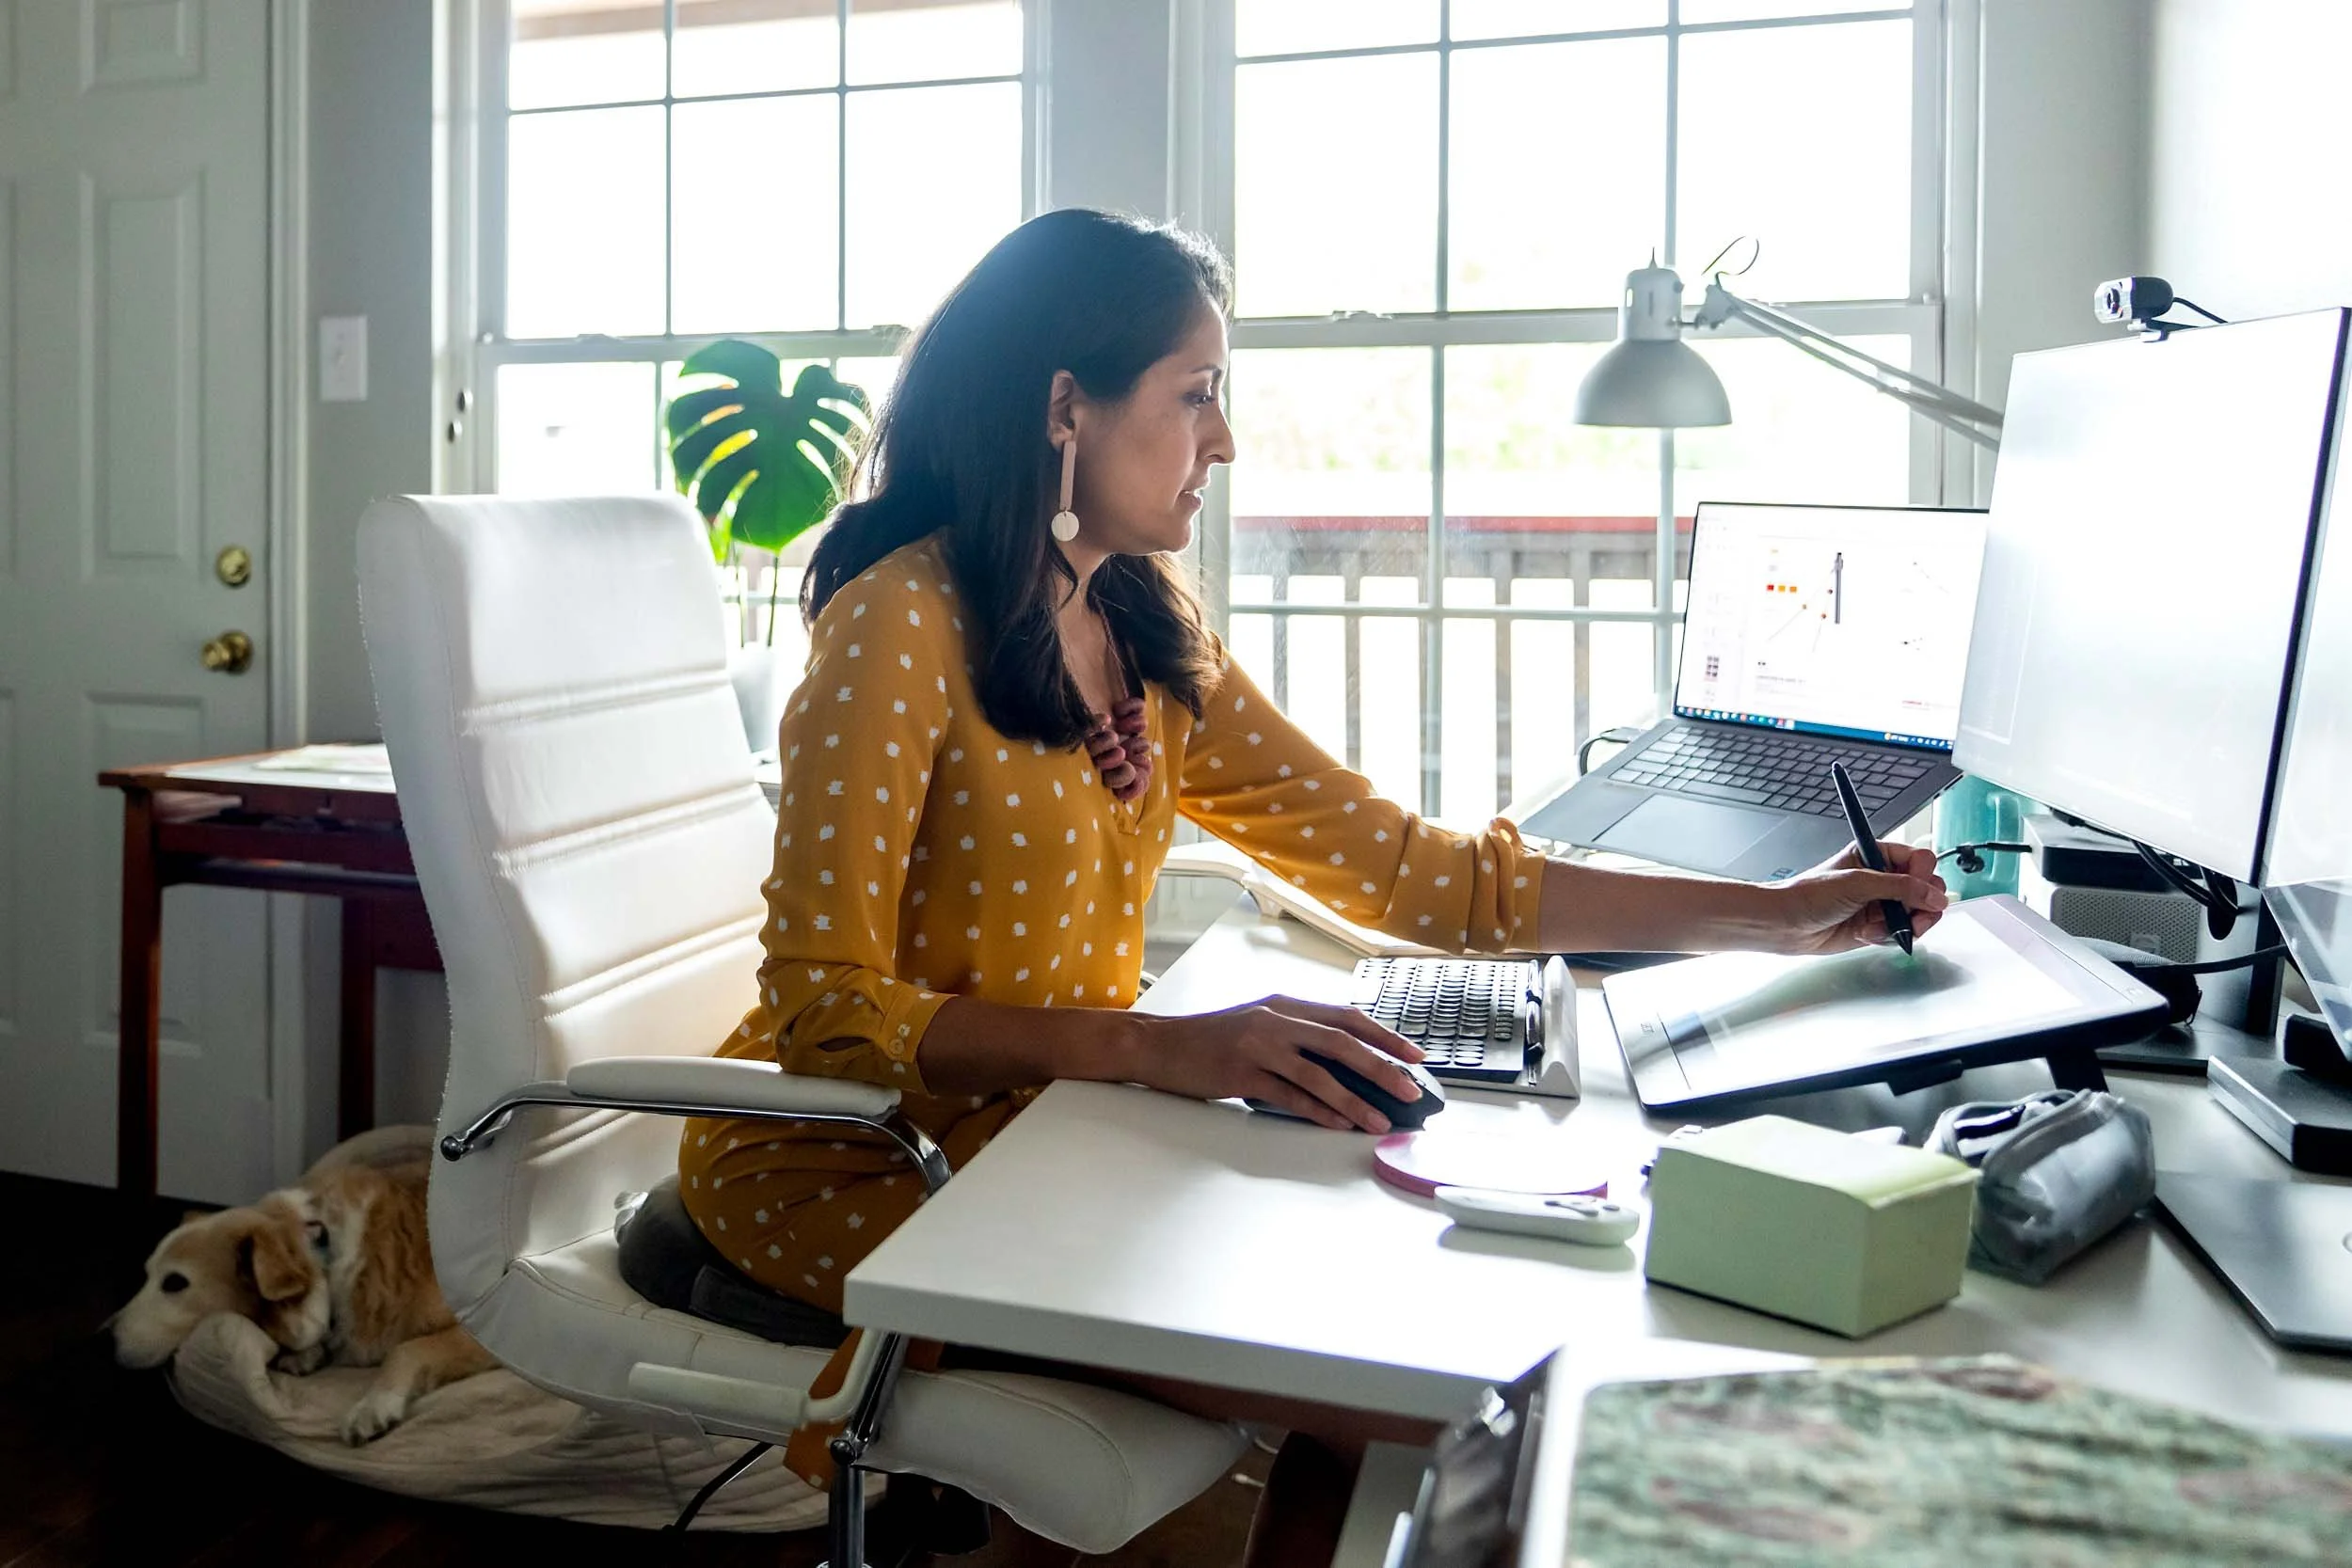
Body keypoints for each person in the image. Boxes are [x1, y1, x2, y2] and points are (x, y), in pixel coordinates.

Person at [678, 208, 1947, 1566]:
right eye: (1197, 392)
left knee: (1375, 1360)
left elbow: (1421, 875)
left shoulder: (1142, 625)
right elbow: (825, 1008)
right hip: (853, 1157)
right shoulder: (898, 621)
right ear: (1067, 407)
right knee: (1407, 1399)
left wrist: (1780, 912)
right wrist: (1168, 1050)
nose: (1223, 438)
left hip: (1056, 1131)